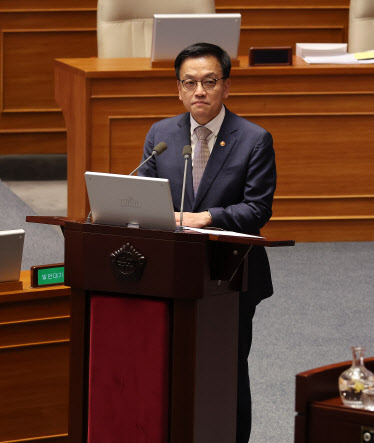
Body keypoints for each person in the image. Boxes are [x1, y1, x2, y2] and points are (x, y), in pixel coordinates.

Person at [139, 42, 276, 443]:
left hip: (229, 273)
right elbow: (147, 197)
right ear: (178, 90)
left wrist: (205, 217)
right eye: (190, 83)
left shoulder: (253, 139)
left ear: (226, 87)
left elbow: (257, 209)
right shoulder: (161, 135)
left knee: (227, 367)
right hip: (170, 271)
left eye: (209, 82)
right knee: (171, 362)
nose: (199, 91)